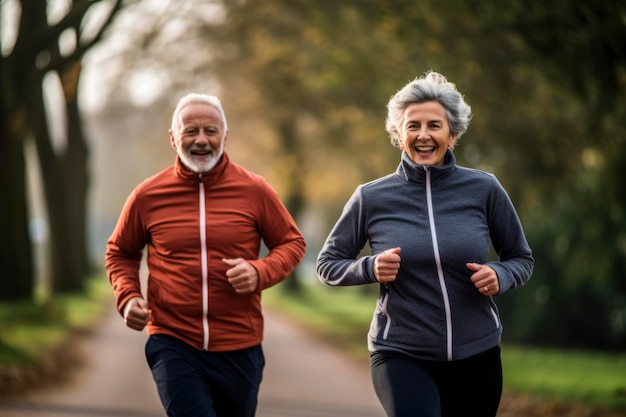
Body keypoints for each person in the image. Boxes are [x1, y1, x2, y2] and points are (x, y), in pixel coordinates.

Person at [316, 71, 533, 417]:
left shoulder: (484, 189)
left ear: (453, 134)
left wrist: (500, 275)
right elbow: (328, 263)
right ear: (399, 136)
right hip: (401, 351)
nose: (423, 135)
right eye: (412, 126)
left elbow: (521, 257)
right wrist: (369, 267)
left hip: (477, 352)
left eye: (434, 125)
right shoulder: (372, 197)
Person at [105, 93, 306, 417]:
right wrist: (128, 297)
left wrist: (259, 271)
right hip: (173, 340)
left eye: (210, 131)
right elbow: (121, 251)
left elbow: (292, 243)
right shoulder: (147, 195)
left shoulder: (255, 190)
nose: (201, 140)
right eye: (190, 131)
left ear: (224, 137)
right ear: (173, 138)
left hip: (240, 344)